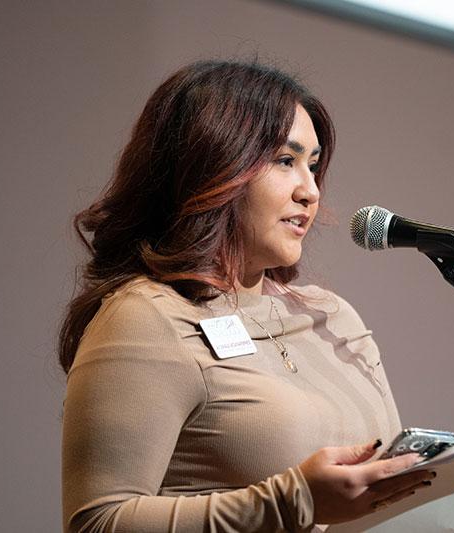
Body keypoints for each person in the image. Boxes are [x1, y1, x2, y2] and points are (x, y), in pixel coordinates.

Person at [59, 60, 433, 532]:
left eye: (314, 166)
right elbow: (96, 523)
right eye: (285, 161)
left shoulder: (332, 318)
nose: (311, 191)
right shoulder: (146, 318)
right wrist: (291, 502)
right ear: (213, 163)